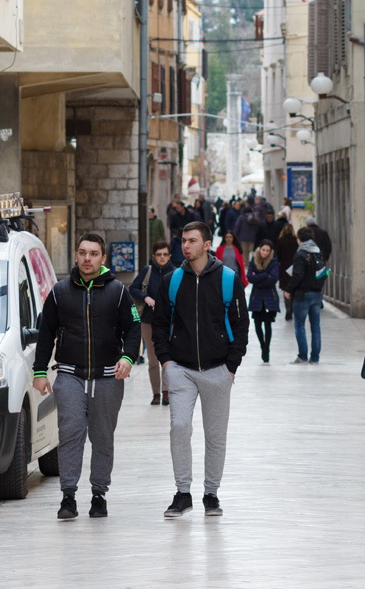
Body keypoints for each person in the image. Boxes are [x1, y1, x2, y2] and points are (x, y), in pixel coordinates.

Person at [33, 233, 141, 519]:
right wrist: (40, 371)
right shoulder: (60, 292)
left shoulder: (118, 291)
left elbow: (133, 327)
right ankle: (68, 496)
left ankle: (99, 494)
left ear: (103, 258)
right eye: (82, 253)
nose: (87, 258)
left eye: (93, 254)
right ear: (76, 255)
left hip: (108, 377)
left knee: (103, 437)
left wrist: (128, 358)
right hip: (70, 375)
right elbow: (45, 333)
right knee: (70, 434)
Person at [152, 221, 249, 518]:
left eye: (192, 241)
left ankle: (211, 494)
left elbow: (241, 323)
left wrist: (232, 365)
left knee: (215, 435)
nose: (185, 246)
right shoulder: (172, 280)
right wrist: (166, 362)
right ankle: (183, 493)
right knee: (179, 427)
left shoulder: (228, 279)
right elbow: (159, 324)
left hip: (218, 368)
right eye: (183, 240)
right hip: (181, 368)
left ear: (207, 244)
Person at [129, 241, 178, 405]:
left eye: (165, 254)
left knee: (168, 358)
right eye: (159, 254)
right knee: (152, 359)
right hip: (148, 321)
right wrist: (145, 297)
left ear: (170, 256)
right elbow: (133, 288)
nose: (162, 257)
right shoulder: (147, 271)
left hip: (169, 322)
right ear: (154, 256)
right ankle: (156, 393)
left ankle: (166, 392)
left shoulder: (176, 273)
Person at [284, 226, 327, 364]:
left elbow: (298, 275)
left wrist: (288, 290)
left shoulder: (301, 254)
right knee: (316, 326)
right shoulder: (318, 252)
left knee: (300, 325)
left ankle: (302, 356)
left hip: (302, 294)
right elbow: (324, 272)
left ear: (299, 239)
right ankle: (315, 357)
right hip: (317, 294)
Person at [246, 239, 281, 363]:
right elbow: (250, 277)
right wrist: (264, 275)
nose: (265, 253)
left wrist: (258, 277)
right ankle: (262, 345)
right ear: (259, 249)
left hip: (269, 298)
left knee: (267, 324)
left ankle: (266, 348)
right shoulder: (253, 261)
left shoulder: (274, 262)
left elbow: (273, 279)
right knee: (257, 324)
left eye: (267, 250)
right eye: (263, 250)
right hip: (257, 298)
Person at [274, 221, 299, 322]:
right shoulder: (295, 241)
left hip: (284, 268)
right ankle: (292, 308)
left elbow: (277, 256)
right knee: (293, 288)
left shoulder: (280, 241)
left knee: (286, 289)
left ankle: (288, 308)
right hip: (294, 267)